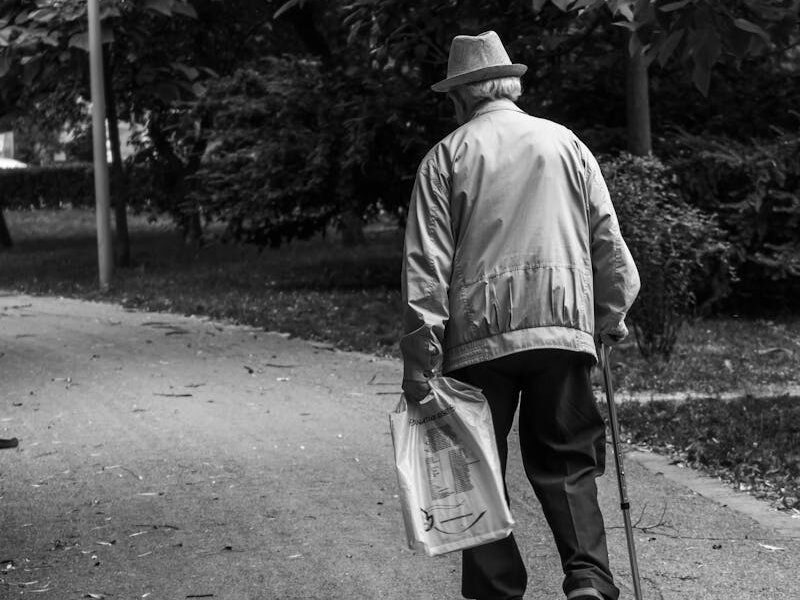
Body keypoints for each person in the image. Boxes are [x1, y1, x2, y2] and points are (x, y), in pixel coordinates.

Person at [400, 31, 640, 600]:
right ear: (510, 85)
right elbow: (607, 238)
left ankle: (496, 591)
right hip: (561, 329)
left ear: (461, 97)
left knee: (476, 467)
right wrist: (609, 315)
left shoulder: (446, 157)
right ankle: (588, 579)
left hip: (476, 341)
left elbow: (425, 267)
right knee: (568, 459)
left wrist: (420, 362)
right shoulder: (567, 145)